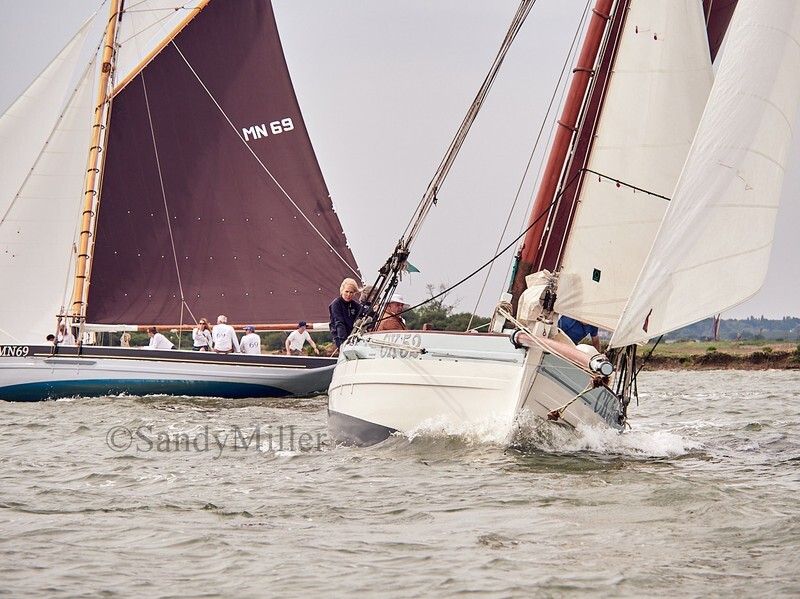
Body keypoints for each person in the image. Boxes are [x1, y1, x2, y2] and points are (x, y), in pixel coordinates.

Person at [328, 278, 362, 349]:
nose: (348, 295)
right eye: (346, 291)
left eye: (351, 292)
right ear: (342, 291)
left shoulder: (354, 305)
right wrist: (343, 342)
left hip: (353, 337)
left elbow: (364, 311)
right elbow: (339, 323)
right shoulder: (336, 304)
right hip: (340, 338)